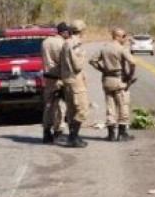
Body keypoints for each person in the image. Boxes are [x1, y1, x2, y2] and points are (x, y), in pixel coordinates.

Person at [90, 28, 137, 141]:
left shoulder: (104, 48)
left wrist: (102, 69)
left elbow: (92, 61)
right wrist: (130, 76)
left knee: (110, 107)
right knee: (123, 106)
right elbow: (133, 62)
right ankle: (122, 134)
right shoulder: (121, 49)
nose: (125, 39)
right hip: (119, 80)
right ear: (118, 36)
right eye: (124, 36)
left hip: (107, 80)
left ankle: (111, 135)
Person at [60, 19, 90, 148]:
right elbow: (77, 65)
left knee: (72, 111)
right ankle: (73, 137)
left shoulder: (66, 43)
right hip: (75, 81)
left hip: (68, 80)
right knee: (83, 109)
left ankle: (73, 137)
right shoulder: (74, 44)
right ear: (82, 30)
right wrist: (83, 55)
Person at [41, 22, 71, 143]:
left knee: (48, 106)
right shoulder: (62, 43)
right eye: (68, 32)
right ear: (63, 32)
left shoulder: (45, 42)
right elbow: (64, 62)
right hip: (58, 78)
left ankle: (46, 132)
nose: (69, 34)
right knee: (60, 106)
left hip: (48, 78)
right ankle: (58, 132)